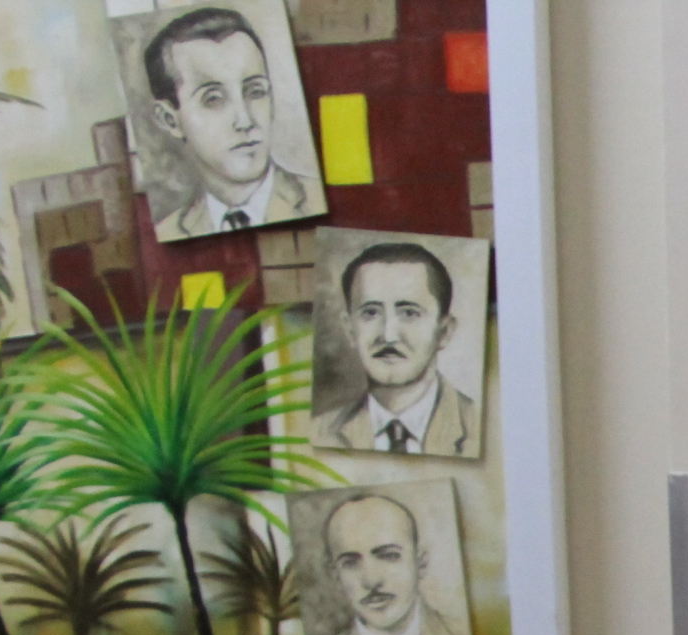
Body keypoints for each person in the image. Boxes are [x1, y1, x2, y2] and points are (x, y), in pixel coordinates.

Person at [144, 7, 321, 241]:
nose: (245, 121)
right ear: (170, 119)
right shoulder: (171, 231)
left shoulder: (317, 200)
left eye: (255, 91)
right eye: (213, 99)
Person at [313, 242, 482, 458]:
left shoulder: (485, 429)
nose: (389, 335)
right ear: (350, 329)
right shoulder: (319, 433)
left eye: (409, 313)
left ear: (444, 332)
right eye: (371, 313)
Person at [304, 491, 475, 635]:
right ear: (336, 575)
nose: (371, 580)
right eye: (350, 563)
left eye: (389, 555)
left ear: (420, 563)